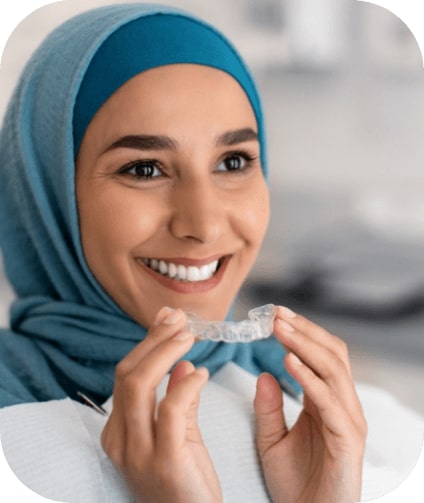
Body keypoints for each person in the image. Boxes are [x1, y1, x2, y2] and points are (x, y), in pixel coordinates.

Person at [0, 3, 421, 503]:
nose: (203, 225)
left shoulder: (346, 425)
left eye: (233, 161)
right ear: (50, 194)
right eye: (143, 169)